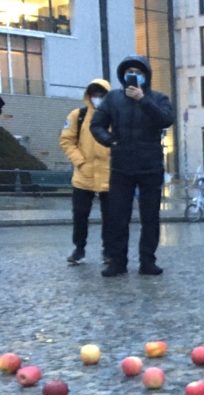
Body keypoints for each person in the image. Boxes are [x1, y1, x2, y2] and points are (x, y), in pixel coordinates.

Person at [89, 56, 174, 277]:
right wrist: (109, 141)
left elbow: (167, 119)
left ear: (146, 75)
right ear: (123, 76)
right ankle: (117, 261)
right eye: (130, 72)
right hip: (121, 166)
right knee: (117, 217)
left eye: (138, 71)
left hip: (151, 166)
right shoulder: (113, 99)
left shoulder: (158, 98)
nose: (133, 75)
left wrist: (143, 100)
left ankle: (148, 261)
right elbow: (96, 124)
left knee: (150, 217)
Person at [59, 78, 111, 266]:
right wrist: (79, 161)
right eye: (94, 94)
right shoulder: (77, 115)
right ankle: (79, 249)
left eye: (101, 94)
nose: (97, 98)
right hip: (84, 175)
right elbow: (67, 140)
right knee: (80, 215)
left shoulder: (115, 116)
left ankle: (109, 251)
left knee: (110, 217)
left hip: (109, 174)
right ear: (88, 96)